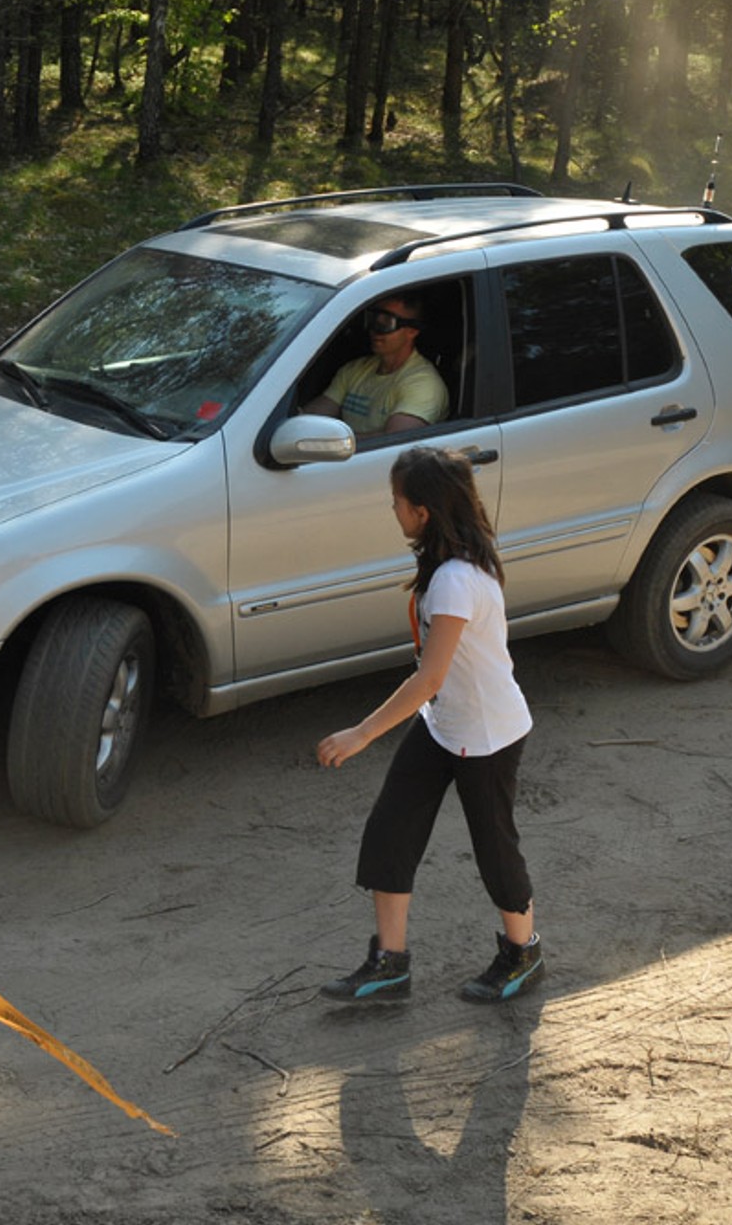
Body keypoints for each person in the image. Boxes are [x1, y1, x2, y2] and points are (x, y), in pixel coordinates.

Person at [315, 446, 542, 1005]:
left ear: (421, 512)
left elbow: (429, 678)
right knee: (391, 830)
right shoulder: (452, 561)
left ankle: (524, 953)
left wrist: (360, 733)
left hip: (486, 736)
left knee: (494, 847)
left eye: (396, 502)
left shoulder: (456, 579)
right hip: (445, 726)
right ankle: (390, 964)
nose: (391, 509)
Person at [301, 296, 448, 435]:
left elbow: (394, 443)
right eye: (372, 319)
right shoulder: (355, 369)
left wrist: (329, 443)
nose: (375, 330)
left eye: (387, 322)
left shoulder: (423, 384)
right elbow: (313, 414)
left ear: (412, 331)